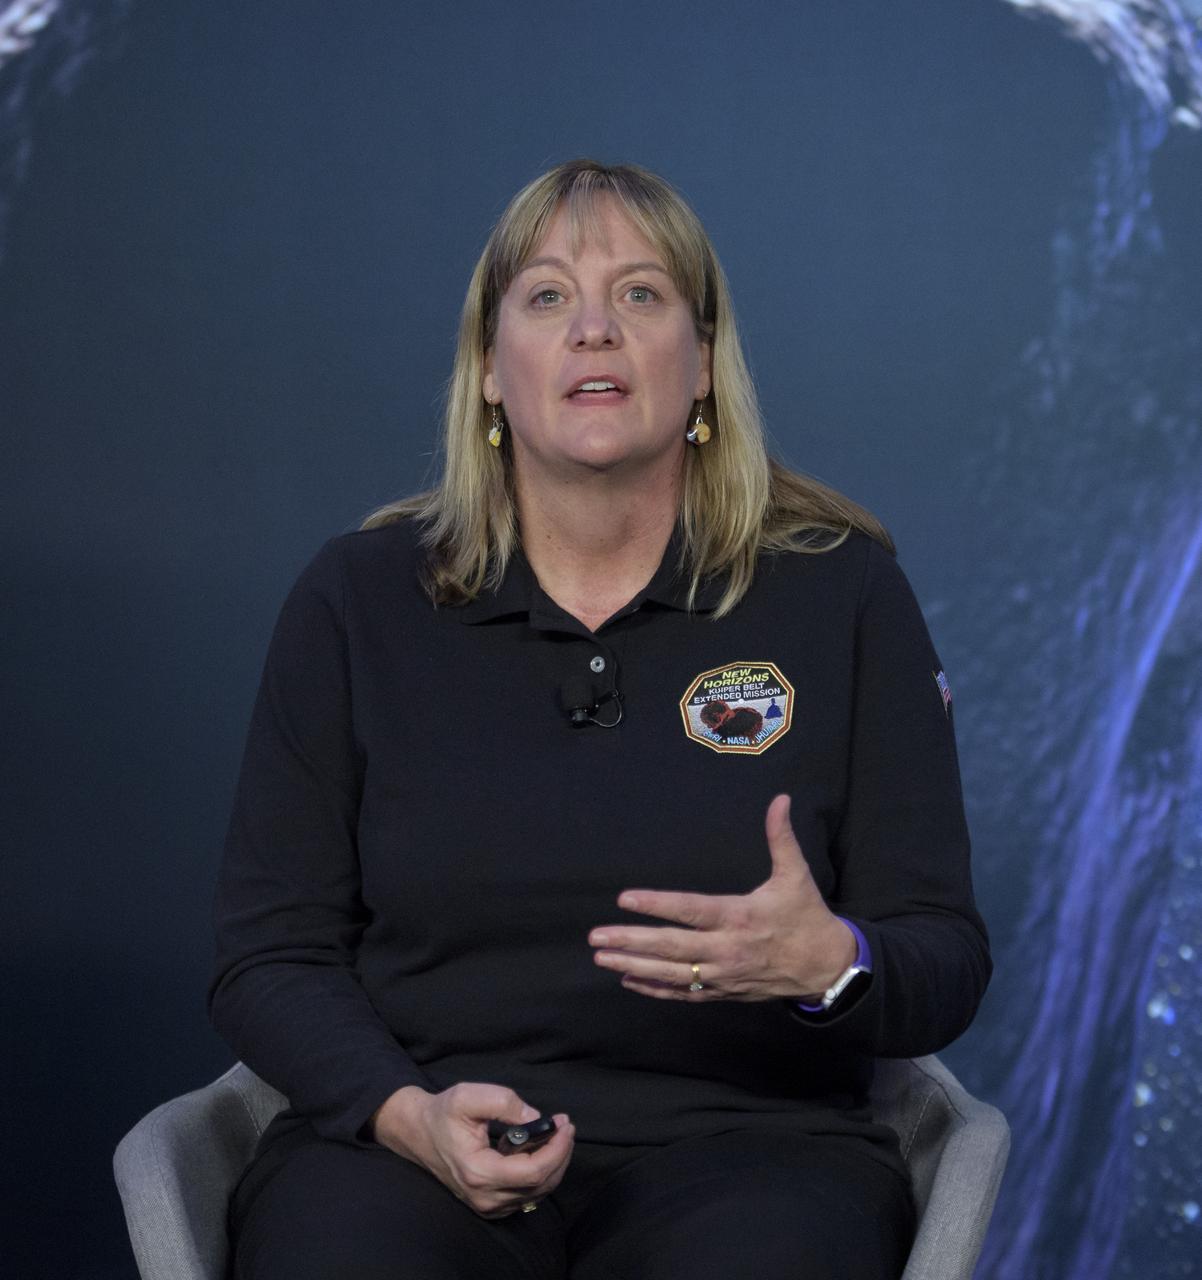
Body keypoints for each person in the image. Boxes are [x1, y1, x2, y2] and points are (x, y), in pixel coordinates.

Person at [208, 158, 991, 1280]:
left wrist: (831, 960)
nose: (592, 331)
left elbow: (944, 955)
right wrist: (401, 1113)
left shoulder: (842, 594)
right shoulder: (355, 599)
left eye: (638, 294)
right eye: (544, 297)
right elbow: (267, 952)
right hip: (410, 1151)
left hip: (755, 1154)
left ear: (703, 359)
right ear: (489, 368)